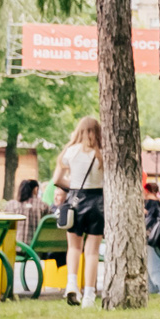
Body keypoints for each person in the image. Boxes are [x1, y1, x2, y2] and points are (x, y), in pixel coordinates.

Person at [55, 116, 105, 307]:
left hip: (76, 201)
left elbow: (57, 180)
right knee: (92, 252)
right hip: (97, 202)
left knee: (74, 248)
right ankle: (89, 295)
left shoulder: (71, 151)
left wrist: (74, 185)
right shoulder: (102, 153)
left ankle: (71, 285)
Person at [143, 180, 160, 295]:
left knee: (155, 265)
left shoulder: (149, 204)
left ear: (147, 191)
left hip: (151, 238)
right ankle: (154, 288)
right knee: (157, 262)